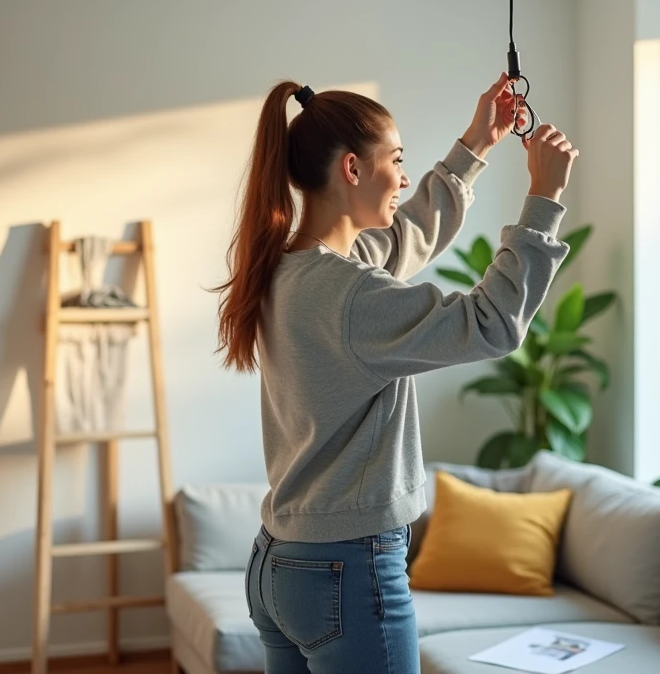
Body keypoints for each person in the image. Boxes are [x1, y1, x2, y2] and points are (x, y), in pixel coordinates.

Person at [213, 72, 578, 674]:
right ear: (352, 169)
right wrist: (544, 200)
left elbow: (407, 235)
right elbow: (491, 323)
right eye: (398, 160)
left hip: (279, 564)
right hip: (346, 569)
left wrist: (477, 144)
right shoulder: (352, 296)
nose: (405, 178)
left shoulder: (287, 268)